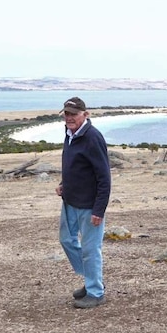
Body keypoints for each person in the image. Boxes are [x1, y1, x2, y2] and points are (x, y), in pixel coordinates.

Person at [55, 97, 111, 308]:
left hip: (89, 205)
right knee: (66, 240)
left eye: (73, 114)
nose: (69, 118)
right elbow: (73, 165)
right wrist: (63, 183)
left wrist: (99, 209)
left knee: (90, 249)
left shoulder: (93, 137)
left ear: (85, 115)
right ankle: (92, 280)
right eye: (66, 114)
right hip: (70, 200)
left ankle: (95, 292)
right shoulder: (70, 134)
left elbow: (104, 177)